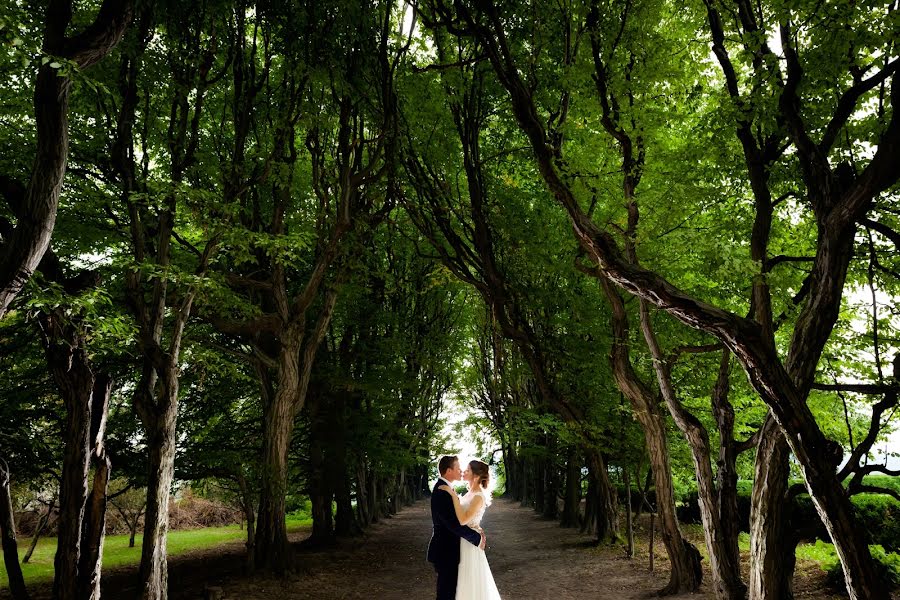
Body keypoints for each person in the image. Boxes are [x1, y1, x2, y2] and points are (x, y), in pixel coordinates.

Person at [438, 459, 501, 600]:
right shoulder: (469, 493)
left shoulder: (478, 496)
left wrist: (453, 496)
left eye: (467, 470)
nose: (464, 472)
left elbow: (463, 520)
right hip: (463, 540)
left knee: (470, 577)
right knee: (462, 578)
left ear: (476, 476)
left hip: (470, 543)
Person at [428, 455, 485, 600]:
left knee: (452, 591)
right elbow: (453, 524)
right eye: (458, 469)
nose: (461, 471)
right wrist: (476, 537)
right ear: (448, 471)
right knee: (446, 593)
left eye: (464, 469)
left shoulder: (447, 489)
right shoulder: (442, 491)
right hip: (445, 550)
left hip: (452, 550)